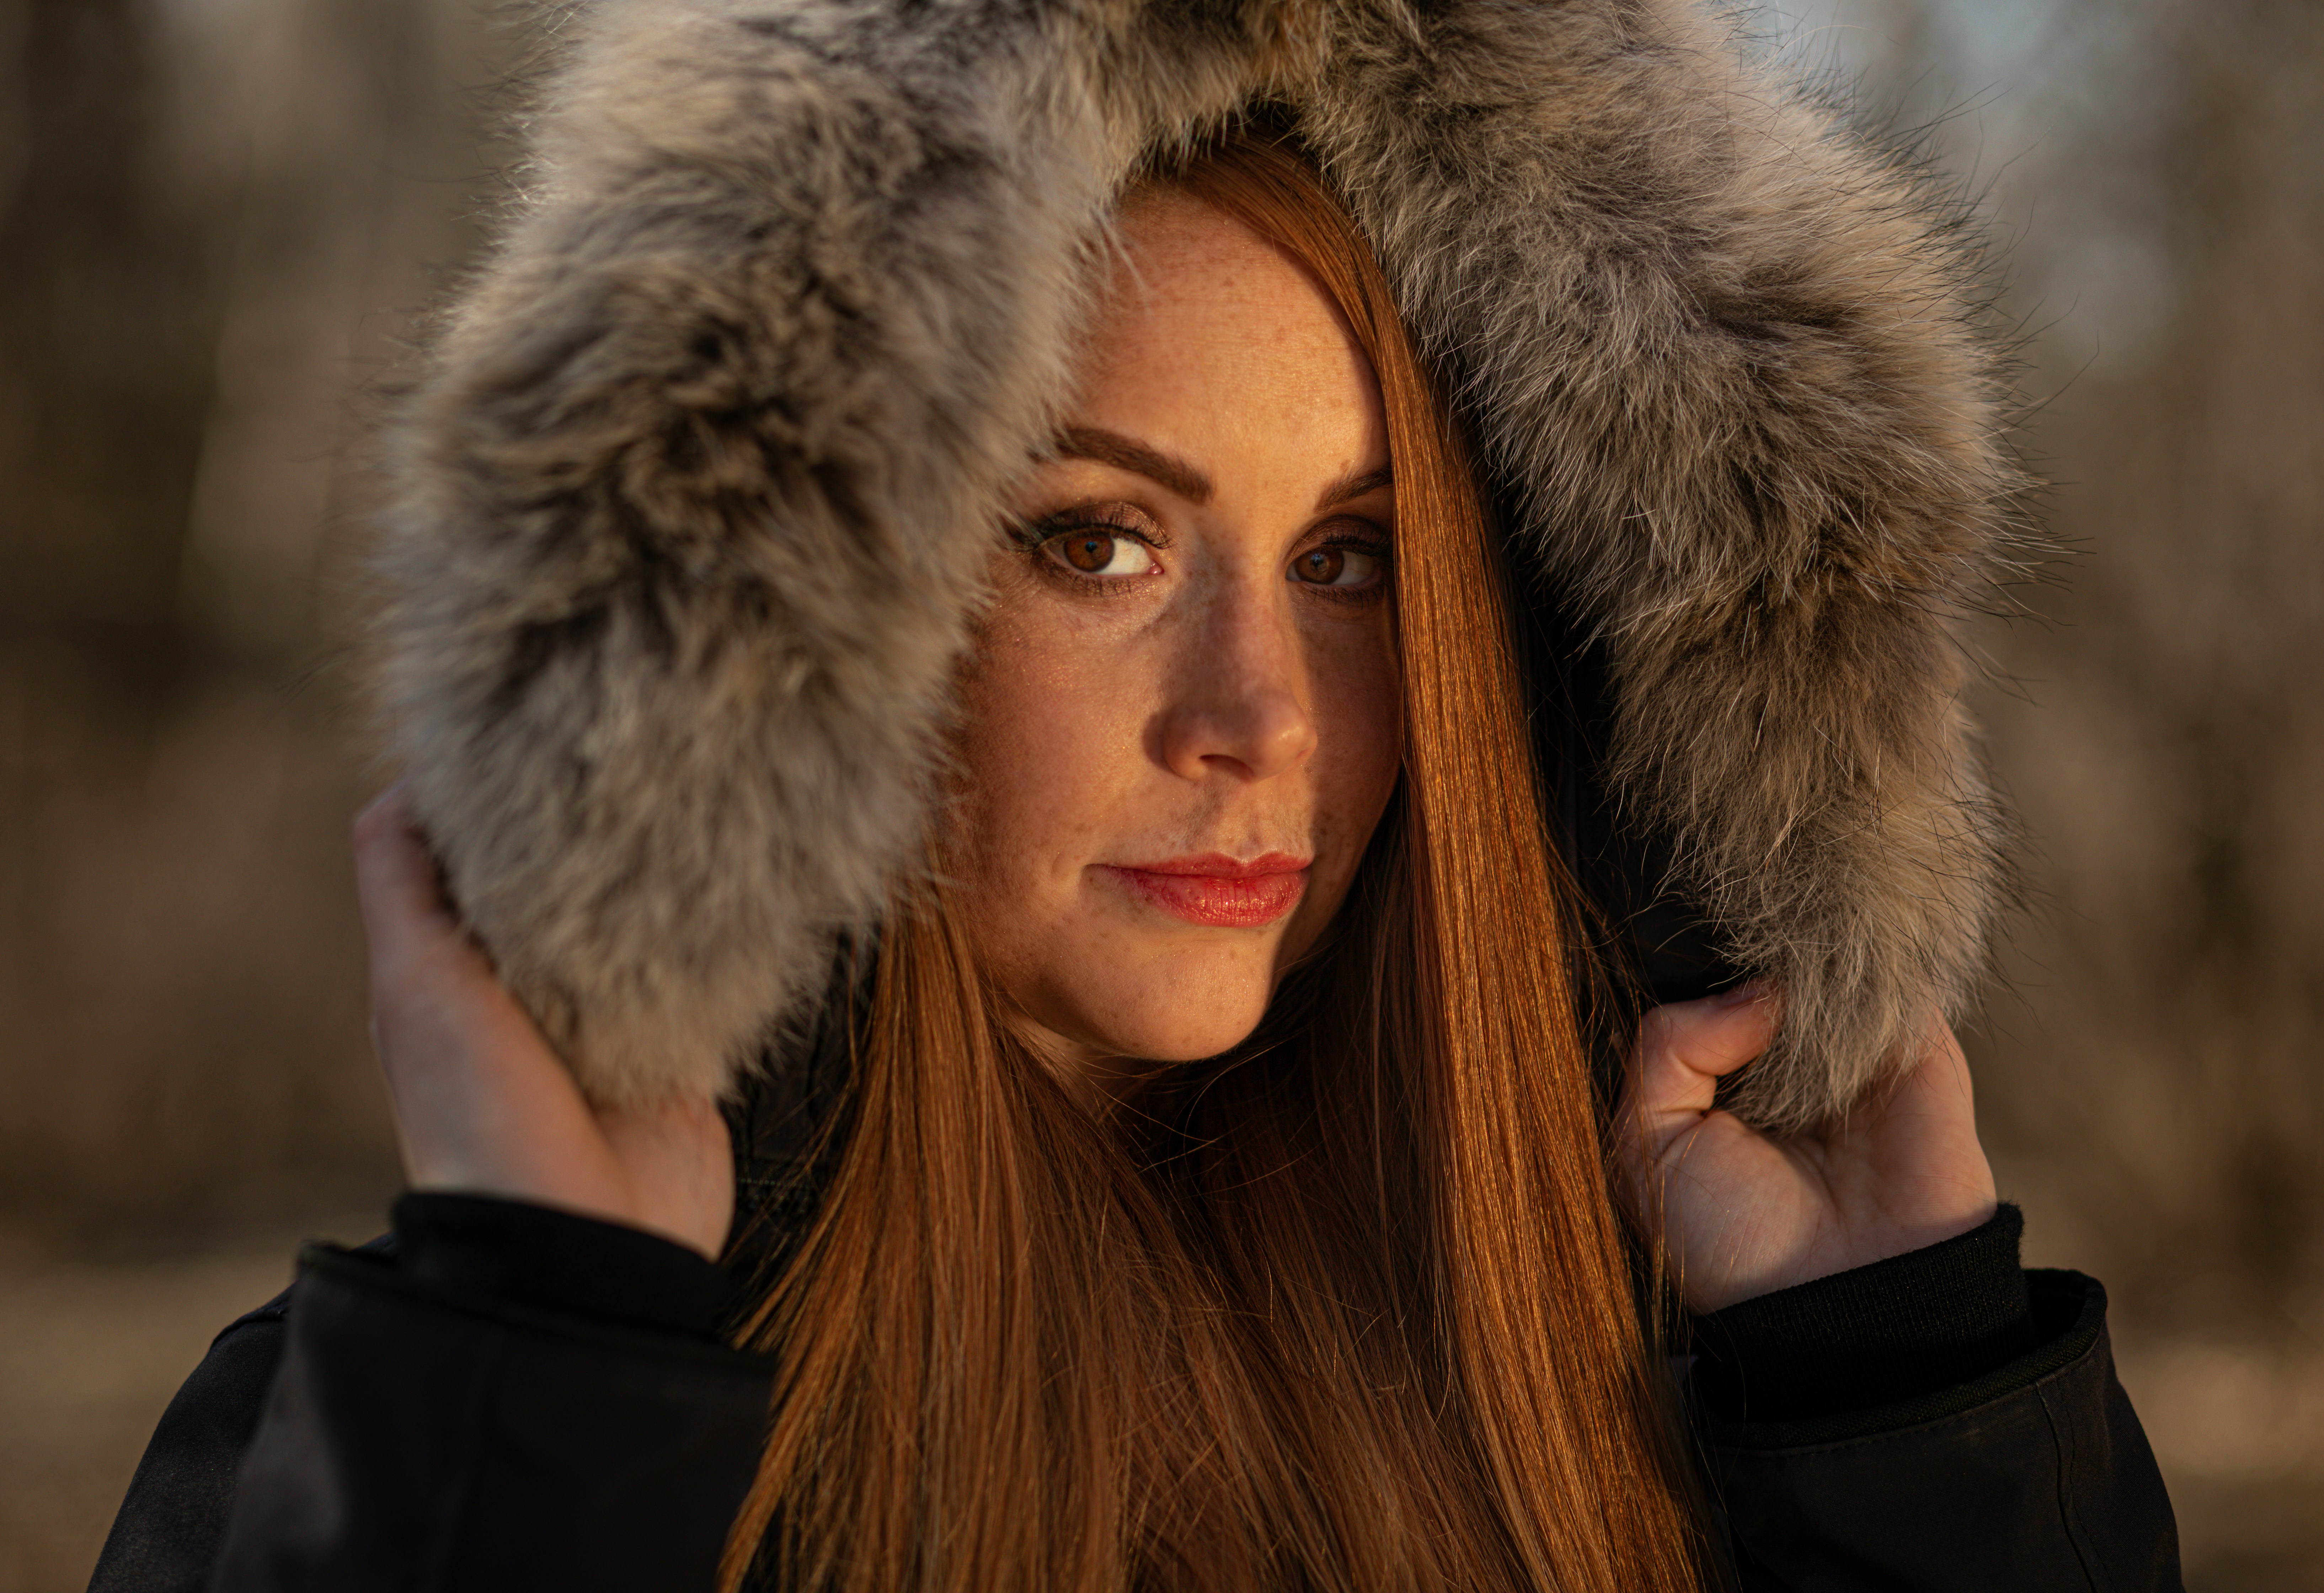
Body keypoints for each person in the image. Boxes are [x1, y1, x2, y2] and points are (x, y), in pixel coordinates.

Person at [92, 5, 2180, 1590]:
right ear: (804, 604)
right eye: (1098, 541)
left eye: (1349, 561)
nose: (1258, 716)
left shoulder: (1696, 1385)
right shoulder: (413, 1432)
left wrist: (1903, 1408)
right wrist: (539, 1376)